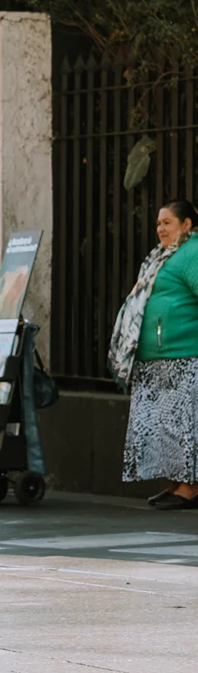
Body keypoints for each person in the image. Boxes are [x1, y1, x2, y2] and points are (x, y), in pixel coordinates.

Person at [109, 199, 198, 509]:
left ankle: (190, 487)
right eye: (158, 223)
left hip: (182, 356)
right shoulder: (162, 255)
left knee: (182, 426)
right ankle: (175, 483)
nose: (160, 228)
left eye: (167, 222)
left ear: (186, 224)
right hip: (157, 359)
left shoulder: (191, 253)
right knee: (163, 427)